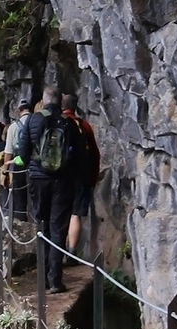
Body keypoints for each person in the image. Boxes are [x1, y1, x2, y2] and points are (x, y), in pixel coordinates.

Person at [14, 85, 87, 294]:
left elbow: (22, 154)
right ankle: (55, 280)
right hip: (62, 182)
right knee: (58, 228)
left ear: (44, 100)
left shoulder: (33, 121)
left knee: (42, 226)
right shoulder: (69, 124)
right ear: (59, 102)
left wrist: (21, 166)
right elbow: (80, 156)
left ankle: (42, 278)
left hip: (38, 180)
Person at [62, 94, 100, 263]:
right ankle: (71, 253)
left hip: (58, 176)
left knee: (59, 214)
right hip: (80, 177)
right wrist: (92, 178)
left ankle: (56, 252)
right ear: (76, 106)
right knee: (75, 214)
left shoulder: (56, 122)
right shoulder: (83, 125)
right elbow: (95, 154)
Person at [0, 98, 32, 222]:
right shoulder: (36, 121)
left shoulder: (13, 127)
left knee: (19, 197)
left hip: (18, 164)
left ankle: (21, 223)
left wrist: (4, 171)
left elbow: (8, 152)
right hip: (34, 164)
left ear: (19, 110)